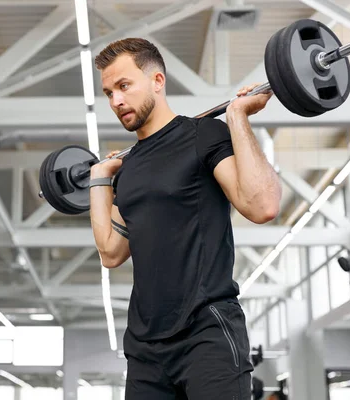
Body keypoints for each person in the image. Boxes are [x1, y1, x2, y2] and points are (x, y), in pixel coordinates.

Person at [89, 38, 281, 400]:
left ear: (157, 81)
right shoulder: (128, 171)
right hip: (145, 347)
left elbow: (263, 205)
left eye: (124, 86)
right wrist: (100, 179)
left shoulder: (203, 135)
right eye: (109, 92)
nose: (115, 101)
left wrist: (237, 117)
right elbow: (110, 254)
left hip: (206, 331)